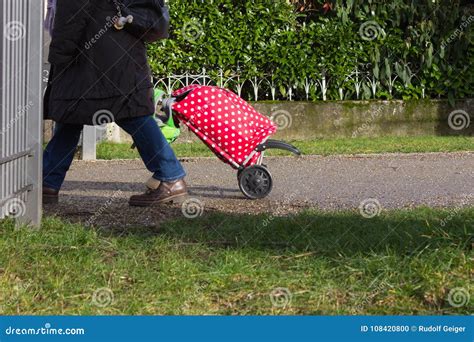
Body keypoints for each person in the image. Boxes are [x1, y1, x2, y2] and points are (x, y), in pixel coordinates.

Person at [43, 0, 187, 207]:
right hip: (119, 52)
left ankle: (170, 175)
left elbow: (71, 17)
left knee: (131, 116)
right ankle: (48, 182)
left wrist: (59, 55)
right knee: (75, 117)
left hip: (92, 58)